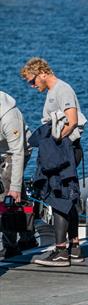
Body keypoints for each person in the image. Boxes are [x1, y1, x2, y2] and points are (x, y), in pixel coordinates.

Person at [22, 57, 87, 266]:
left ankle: (60, 251)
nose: (32, 86)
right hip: (63, 151)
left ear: (42, 73)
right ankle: (74, 247)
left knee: (59, 196)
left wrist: (58, 140)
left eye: (32, 81)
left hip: (66, 151)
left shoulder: (62, 89)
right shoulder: (52, 92)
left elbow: (73, 120)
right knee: (68, 196)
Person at [0, 90, 35, 258]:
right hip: (2, 150)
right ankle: (28, 237)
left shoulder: (9, 116)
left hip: (17, 152)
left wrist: (14, 187)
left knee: (7, 195)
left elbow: (17, 153)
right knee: (17, 195)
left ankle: (10, 245)